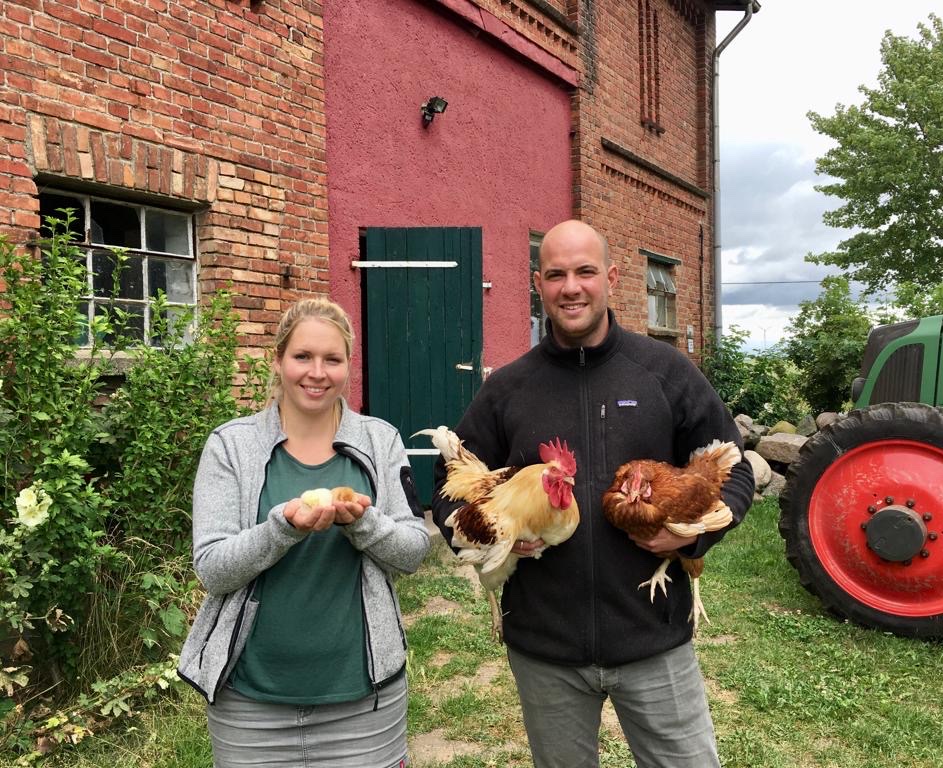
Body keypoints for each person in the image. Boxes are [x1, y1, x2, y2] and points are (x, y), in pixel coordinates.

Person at [431, 219, 754, 768]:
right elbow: (449, 485)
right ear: (538, 283)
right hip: (546, 648)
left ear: (612, 277)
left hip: (653, 638)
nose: (571, 288)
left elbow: (735, 469)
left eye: (585, 272)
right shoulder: (508, 388)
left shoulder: (665, 372)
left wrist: (694, 536)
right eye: (556, 275)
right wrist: (488, 535)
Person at [178, 298, 430, 768]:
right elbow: (212, 569)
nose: (317, 372)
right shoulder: (231, 446)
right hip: (249, 706)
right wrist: (282, 528)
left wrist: (362, 523)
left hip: (365, 705)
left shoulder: (381, 441)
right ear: (278, 360)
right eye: (302, 356)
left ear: (348, 366)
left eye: (332, 359)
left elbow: (414, 551)